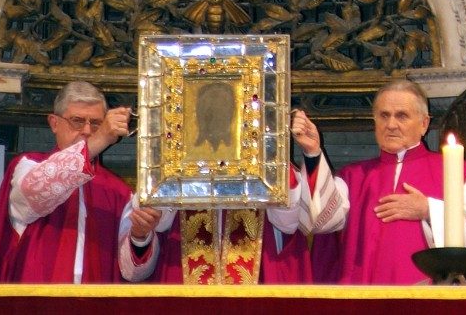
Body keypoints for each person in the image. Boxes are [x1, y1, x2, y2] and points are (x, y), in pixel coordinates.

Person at [302, 79, 466, 285]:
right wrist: (312, 153)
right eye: (384, 115)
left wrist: (429, 210)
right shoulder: (352, 177)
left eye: (402, 116)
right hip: (366, 299)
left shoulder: (453, 170)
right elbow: (320, 219)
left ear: (424, 124)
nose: (391, 125)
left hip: (430, 301)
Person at [117, 110, 325, 284]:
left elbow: (288, 224)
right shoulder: (167, 171)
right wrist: (140, 235)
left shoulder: (273, 171)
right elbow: (133, 271)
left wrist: (272, 157)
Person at [0, 81, 143, 283]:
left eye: (96, 124)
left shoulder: (118, 190)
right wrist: (100, 138)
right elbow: (37, 192)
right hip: (35, 297)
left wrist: (140, 236)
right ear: (54, 123)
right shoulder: (28, 166)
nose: (86, 130)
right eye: (77, 120)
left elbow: (132, 273)